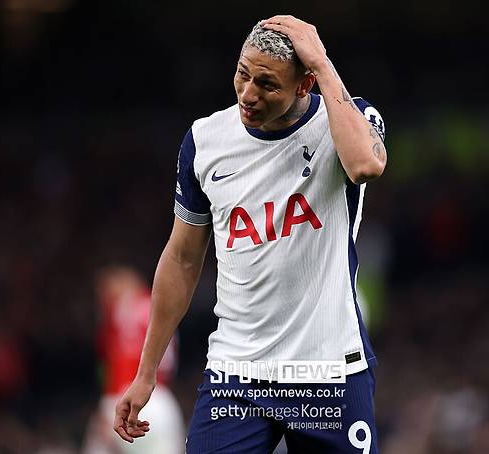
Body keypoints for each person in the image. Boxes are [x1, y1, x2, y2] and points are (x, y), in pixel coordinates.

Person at [114, 15, 387, 453]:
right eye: (243, 74)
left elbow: (365, 165)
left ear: (305, 84)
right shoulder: (205, 141)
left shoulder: (345, 120)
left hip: (329, 370)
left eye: (267, 84)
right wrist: (145, 374)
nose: (248, 93)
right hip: (237, 373)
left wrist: (321, 61)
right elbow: (183, 258)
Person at [84, 266, 185, 454]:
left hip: (125, 400)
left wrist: (107, 405)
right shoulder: (159, 307)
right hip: (162, 401)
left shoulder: (117, 312)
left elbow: (112, 367)